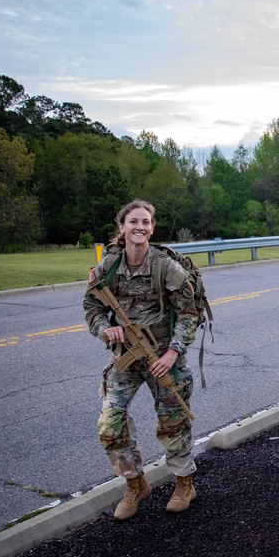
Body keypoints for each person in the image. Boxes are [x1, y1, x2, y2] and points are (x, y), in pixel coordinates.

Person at [83, 200, 199, 520]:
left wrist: (173, 352)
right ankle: (135, 483)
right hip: (126, 357)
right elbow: (92, 308)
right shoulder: (107, 268)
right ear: (122, 227)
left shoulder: (166, 267)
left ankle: (184, 484)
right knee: (110, 424)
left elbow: (190, 313)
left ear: (152, 228)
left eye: (146, 222)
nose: (140, 227)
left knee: (173, 422)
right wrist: (106, 329)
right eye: (133, 221)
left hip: (163, 355)